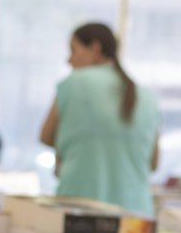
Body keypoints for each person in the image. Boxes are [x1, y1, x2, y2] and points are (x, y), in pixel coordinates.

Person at [39, 23, 160, 215]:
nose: (69, 60)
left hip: (79, 211)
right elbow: (153, 164)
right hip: (137, 217)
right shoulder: (147, 96)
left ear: (95, 48)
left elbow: (45, 136)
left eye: (73, 50)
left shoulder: (74, 83)